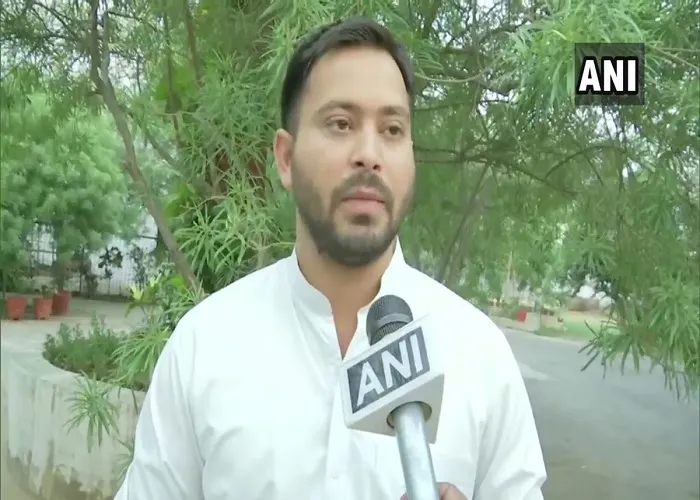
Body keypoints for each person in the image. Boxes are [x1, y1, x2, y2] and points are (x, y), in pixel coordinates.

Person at [114, 16, 546, 500]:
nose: (369, 153)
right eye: (341, 124)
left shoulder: (479, 357)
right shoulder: (204, 346)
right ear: (286, 158)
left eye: (392, 129)